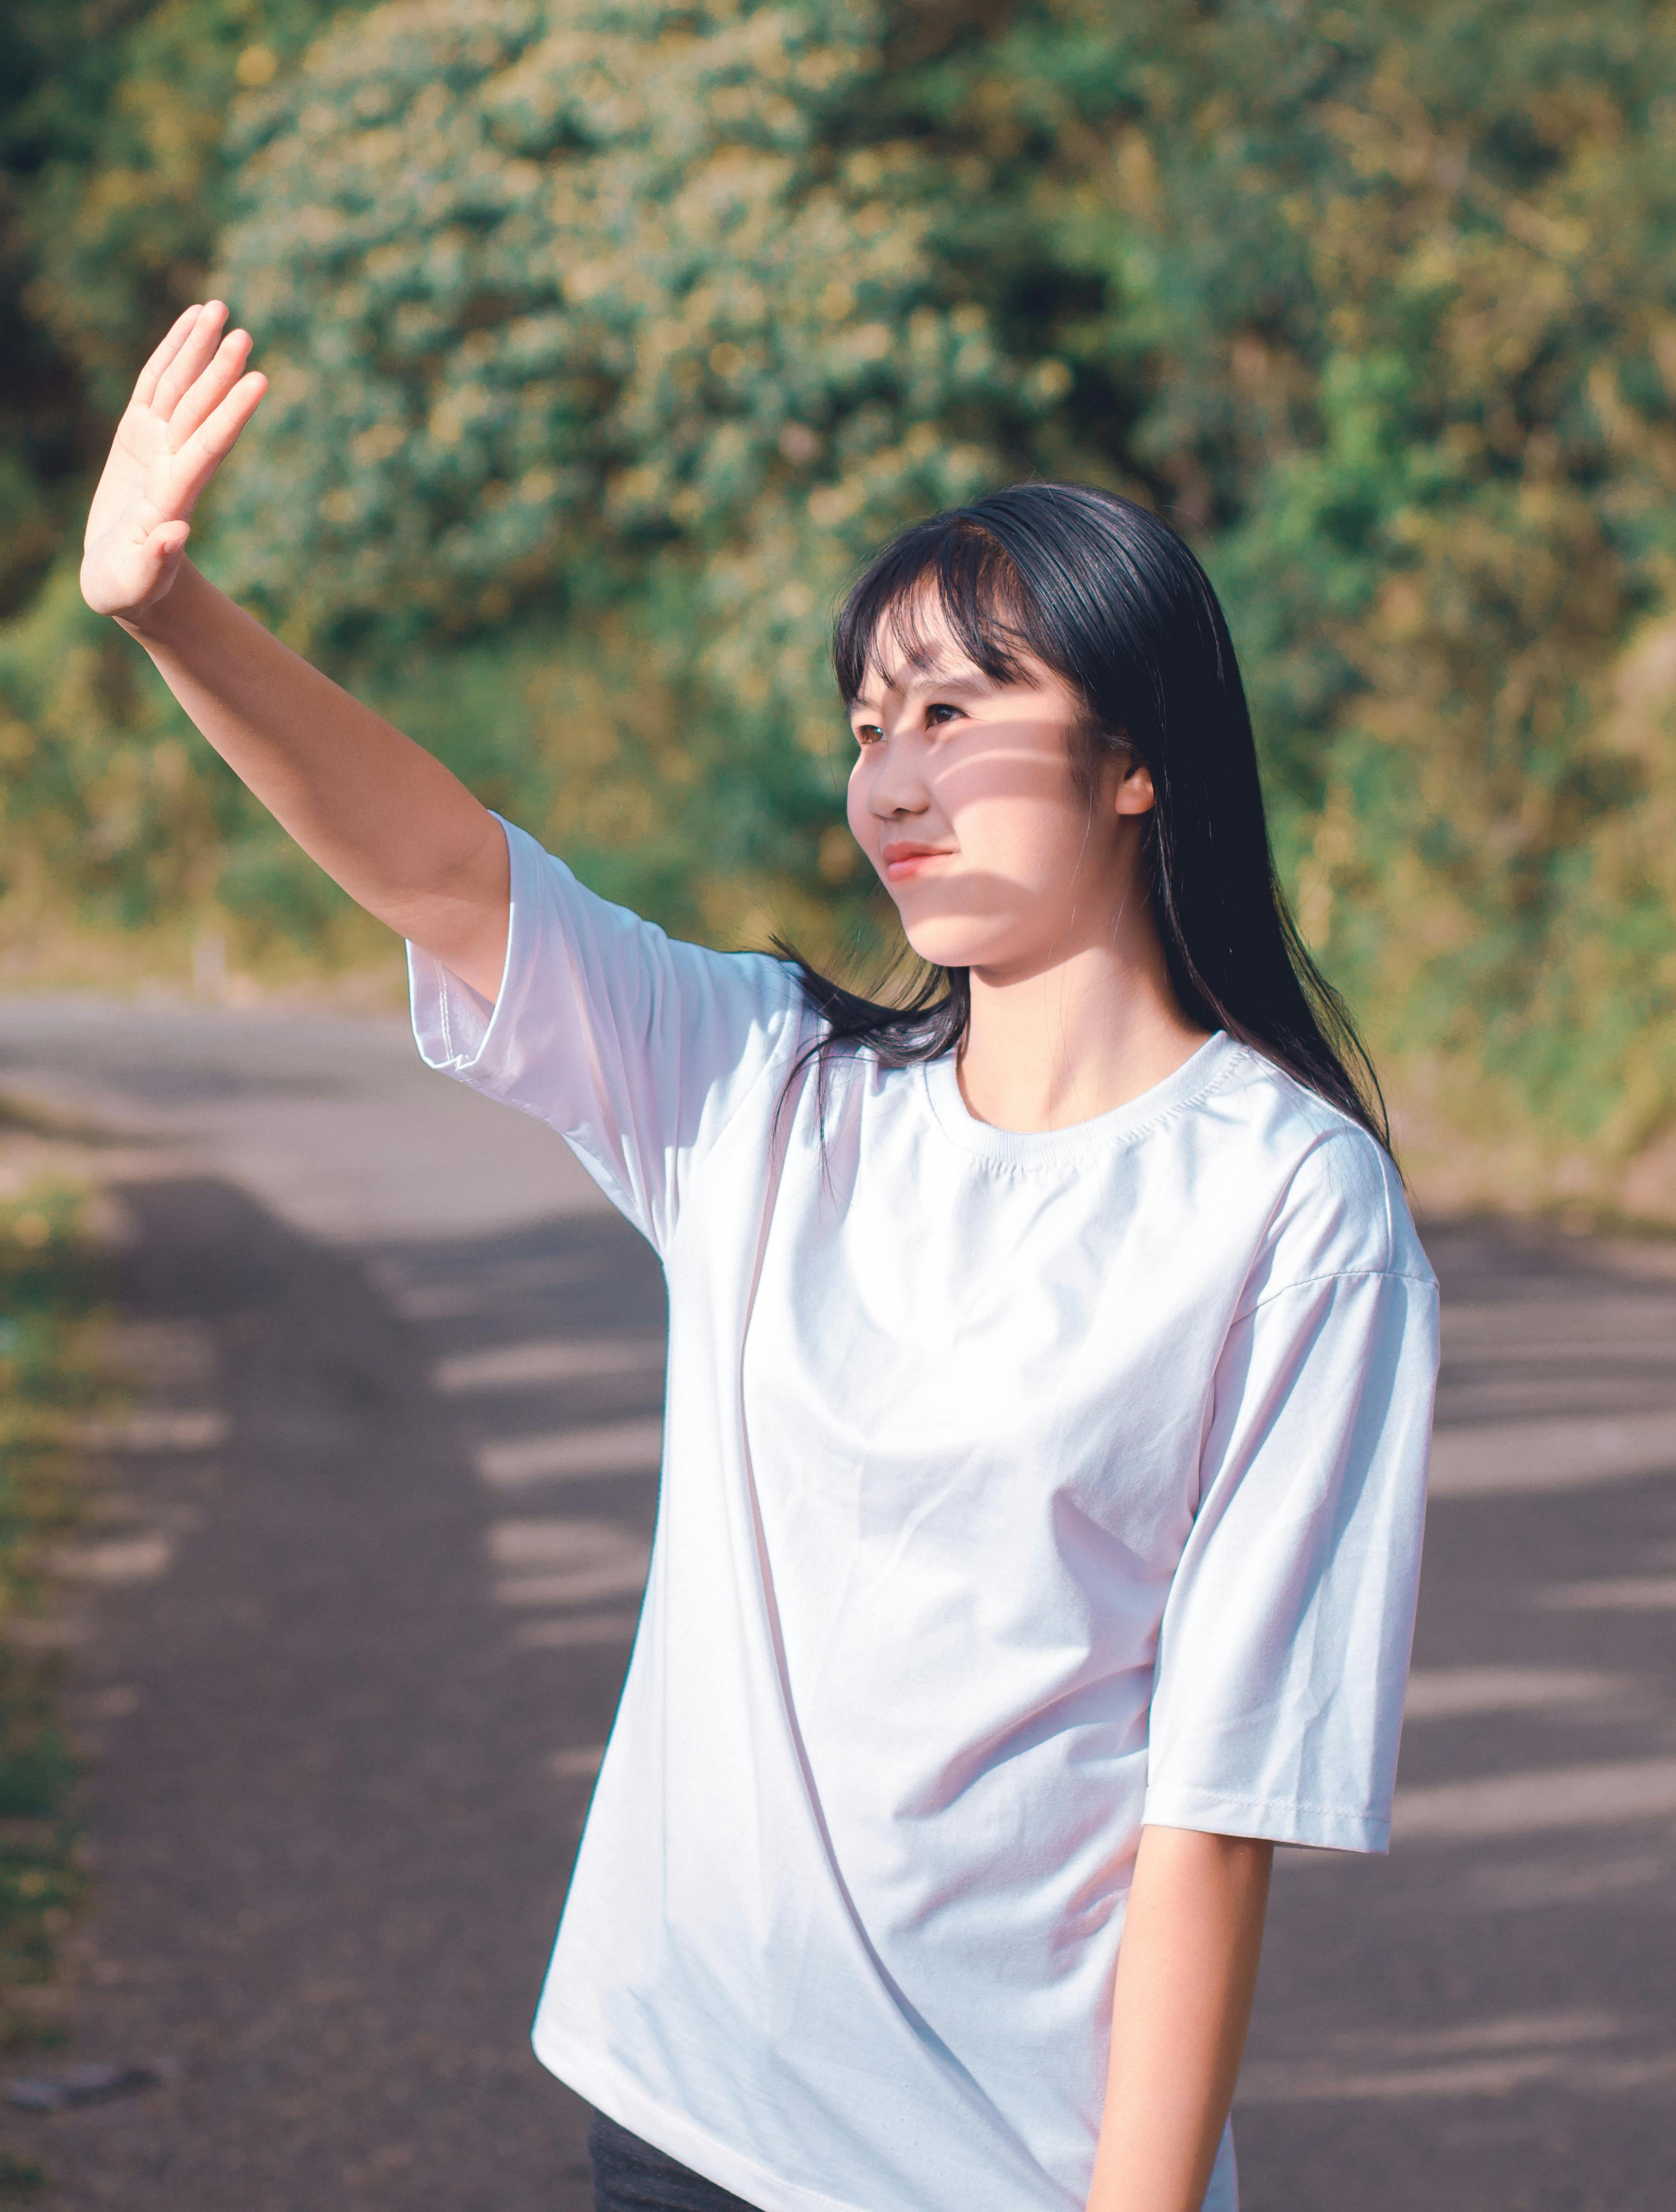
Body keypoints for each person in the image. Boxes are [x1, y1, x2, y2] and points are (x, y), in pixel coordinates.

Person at [80, 299, 1439, 2212]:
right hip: (682, 2109)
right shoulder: (768, 1096)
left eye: (958, 714)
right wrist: (170, 615)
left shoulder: (1289, 1207)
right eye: (869, 728)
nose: (893, 779)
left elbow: (1218, 1808)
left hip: (1009, 2168)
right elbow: (455, 875)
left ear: (1137, 762)